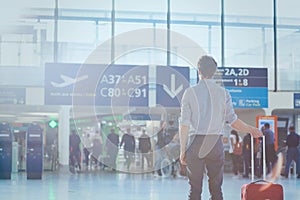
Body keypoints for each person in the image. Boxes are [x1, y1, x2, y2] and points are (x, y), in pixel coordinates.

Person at [179, 55, 263, 200]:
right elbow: (233, 121)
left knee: (195, 190)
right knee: (216, 190)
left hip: (195, 143)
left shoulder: (189, 93)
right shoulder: (223, 93)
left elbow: (184, 124)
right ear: (214, 71)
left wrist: (182, 150)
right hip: (215, 143)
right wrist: (251, 130)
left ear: (199, 70)